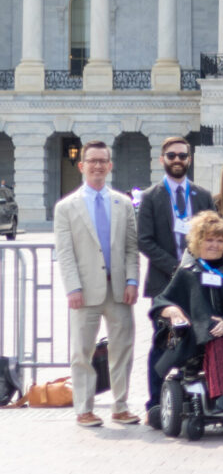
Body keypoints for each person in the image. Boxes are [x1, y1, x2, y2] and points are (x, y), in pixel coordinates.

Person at [54, 141, 140, 427]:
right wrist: (72, 288)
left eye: (103, 160)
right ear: (82, 165)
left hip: (118, 290)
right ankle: (84, 408)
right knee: (82, 352)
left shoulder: (123, 203)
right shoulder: (66, 207)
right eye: (92, 161)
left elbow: (131, 247)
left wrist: (131, 280)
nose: (98, 165)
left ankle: (120, 405)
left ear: (110, 165)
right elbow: (65, 252)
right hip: (84, 291)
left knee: (122, 349)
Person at [150, 211, 223, 412]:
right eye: (209, 240)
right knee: (211, 338)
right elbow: (162, 300)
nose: (215, 245)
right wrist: (171, 310)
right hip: (197, 332)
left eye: (220, 241)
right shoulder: (188, 272)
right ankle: (219, 398)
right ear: (198, 242)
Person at [137, 136, 214, 416]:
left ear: (189, 159)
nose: (177, 160)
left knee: (198, 340)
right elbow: (144, 241)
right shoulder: (150, 196)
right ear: (162, 160)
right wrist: (177, 268)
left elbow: (214, 237)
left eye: (182, 155)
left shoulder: (203, 196)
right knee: (164, 340)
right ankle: (156, 403)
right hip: (165, 285)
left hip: (200, 283)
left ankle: (196, 401)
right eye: (171, 156)